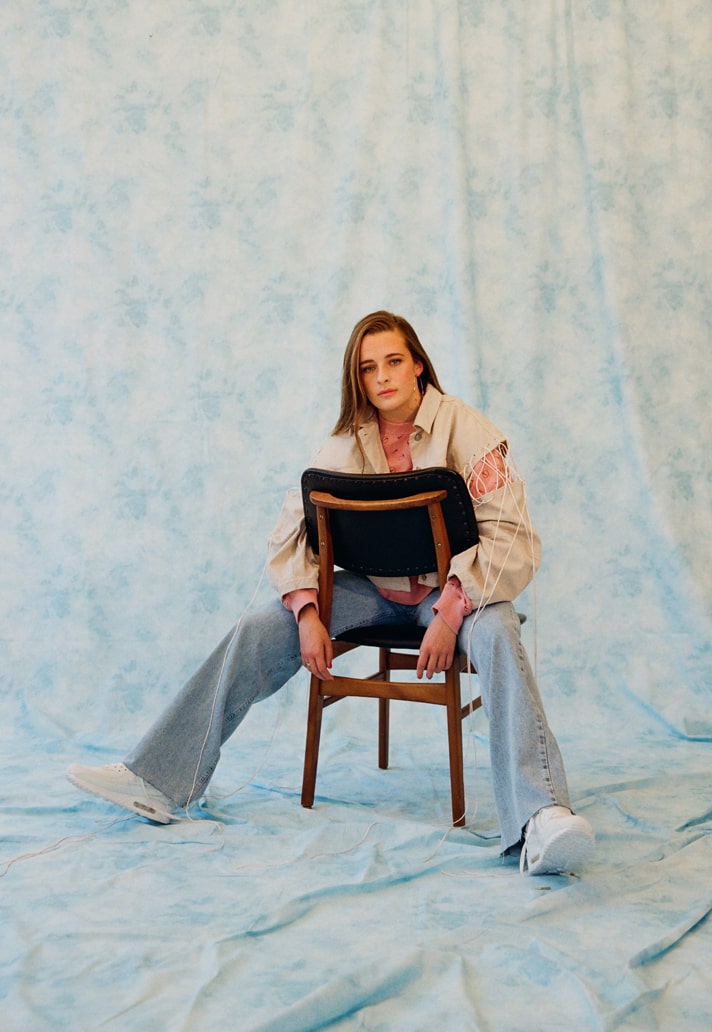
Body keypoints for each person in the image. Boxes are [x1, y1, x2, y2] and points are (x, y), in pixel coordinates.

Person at [68, 310, 595, 875]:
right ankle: (157, 780)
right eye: (368, 368)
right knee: (259, 627)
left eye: (394, 361)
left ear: (418, 365)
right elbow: (290, 531)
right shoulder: (347, 441)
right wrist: (306, 613)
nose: (382, 377)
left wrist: (449, 613)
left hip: (453, 594)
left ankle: (541, 817)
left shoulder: (469, 431)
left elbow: (514, 537)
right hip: (371, 591)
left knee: (498, 630)